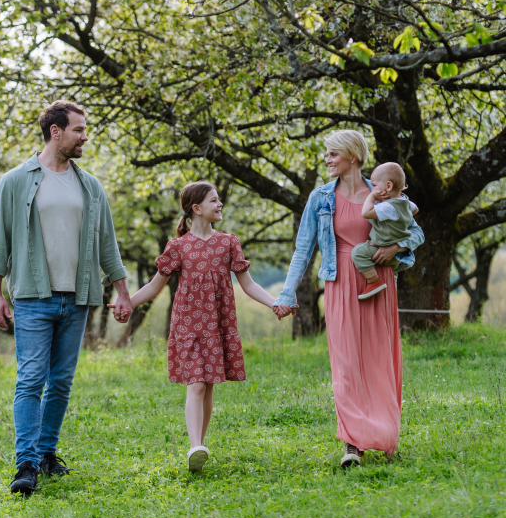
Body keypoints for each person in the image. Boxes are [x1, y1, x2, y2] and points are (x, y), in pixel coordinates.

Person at [0, 100, 131, 496]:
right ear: (56, 132)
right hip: (33, 297)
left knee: (61, 382)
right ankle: (26, 463)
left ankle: (47, 454)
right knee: (31, 379)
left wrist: (121, 291)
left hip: (77, 297)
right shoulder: (15, 181)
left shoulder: (90, 185)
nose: (85, 137)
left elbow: (107, 244)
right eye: (79, 130)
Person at [273, 131, 424, 467]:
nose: (327, 160)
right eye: (327, 154)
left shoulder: (383, 192)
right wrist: (287, 291)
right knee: (346, 365)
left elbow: (417, 232)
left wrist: (395, 247)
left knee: (378, 361)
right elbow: (303, 248)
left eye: (332, 154)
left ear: (353, 156)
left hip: (378, 281)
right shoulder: (321, 197)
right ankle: (353, 443)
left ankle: (382, 432)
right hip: (340, 280)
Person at [121, 180, 279, 472]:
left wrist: (274, 303)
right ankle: (195, 445)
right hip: (188, 325)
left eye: (219, 200)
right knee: (195, 385)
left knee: (207, 387)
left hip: (218, 324)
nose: (220, 205)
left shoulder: (228, 242)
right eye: (214, 201)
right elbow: (155, 286)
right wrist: (126, 303)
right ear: (196, 208)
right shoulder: (178, 247)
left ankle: (200, 446)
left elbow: (248, 284)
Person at [352, 162, 419, 300]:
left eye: (375, 185)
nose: (372, 189)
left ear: (389, 186)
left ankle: (373, 281)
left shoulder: (388, 207)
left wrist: (372, 198)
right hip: (396, 257)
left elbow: (366, 213)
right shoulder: (405, 203)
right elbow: (415, 209)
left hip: (381, 249)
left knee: (358, 252)